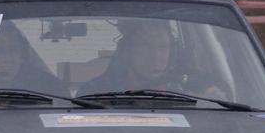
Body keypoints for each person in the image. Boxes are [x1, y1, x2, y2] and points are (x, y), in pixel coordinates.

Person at [78, 20, 225, 98]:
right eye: (145, 46)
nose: (156, 56)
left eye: (163, 47)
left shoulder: (189, 85)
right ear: (127, 52)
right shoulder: (94, 94)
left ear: (172, 53)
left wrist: (213, 94)